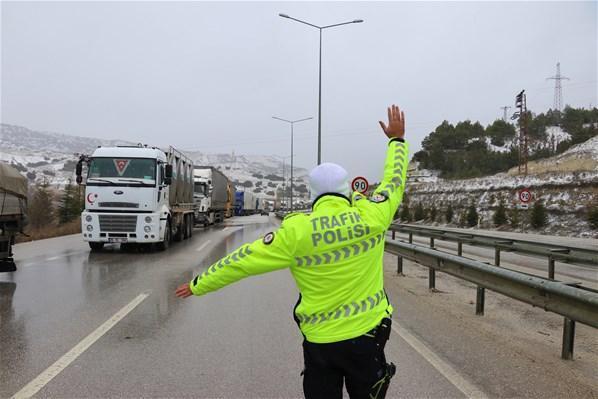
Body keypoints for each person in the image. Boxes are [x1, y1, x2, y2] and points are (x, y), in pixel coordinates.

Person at [176, 104, 409, 399]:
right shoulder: (372, 216)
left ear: (312, 195)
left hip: (321, 344)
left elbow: (242, 261)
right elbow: (394, 181)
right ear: (347, 192)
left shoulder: (296, 231)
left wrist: (199, 284)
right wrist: (396, 141)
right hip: (368, 338)